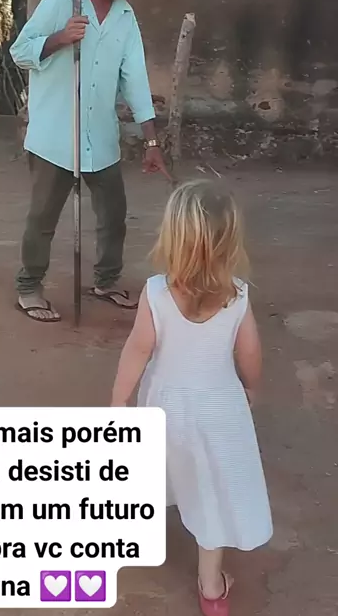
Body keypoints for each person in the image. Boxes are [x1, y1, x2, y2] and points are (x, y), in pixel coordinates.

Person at [110, 179, 273, 616]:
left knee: (162, 468)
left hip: (166, 406)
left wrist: (119, 401)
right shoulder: (238, 295)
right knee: (210, 492)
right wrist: (252, 386)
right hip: (220, 409)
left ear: (172, 235)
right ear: (230, 241)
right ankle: (211, 586)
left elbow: (138, 349)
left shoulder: (156, 293)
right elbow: (250, 353)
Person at [10, 0, 170, 323]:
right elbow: (20, 51)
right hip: (54, 136)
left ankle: (106, 281)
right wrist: (60, 38)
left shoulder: (125, 16)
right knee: (43, 219)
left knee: (113, 215)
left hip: (100, 137)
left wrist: (151, 141)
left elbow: (135, 78)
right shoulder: (61, 0)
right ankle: (29, 287)